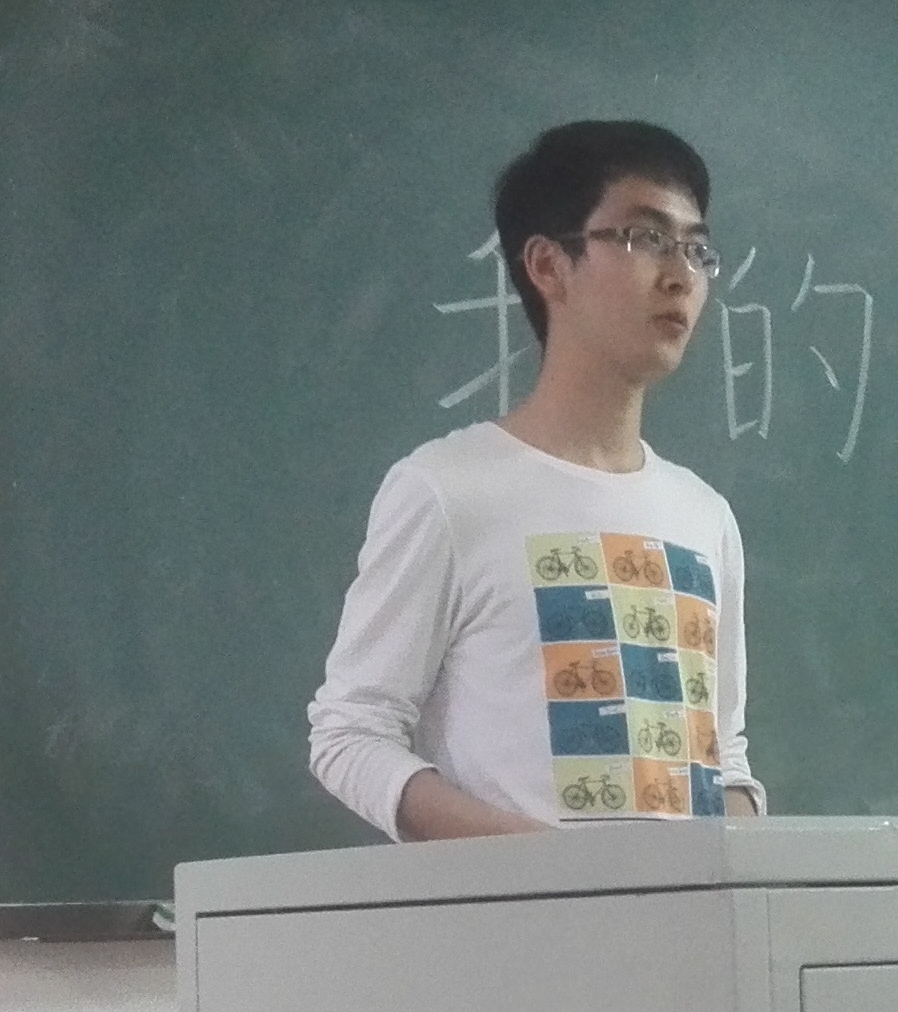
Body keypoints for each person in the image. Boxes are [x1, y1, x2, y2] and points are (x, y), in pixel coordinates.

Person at [308, 121, 766, 839]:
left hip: (691, 913)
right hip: (520, 911)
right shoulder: (446, 491)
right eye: (646, 238)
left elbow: (724, 760)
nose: (681, 275)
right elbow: (350, 735)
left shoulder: (704, 515)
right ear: (550, 266)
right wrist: (544, 865)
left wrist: (732, 852)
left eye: (697, 248)